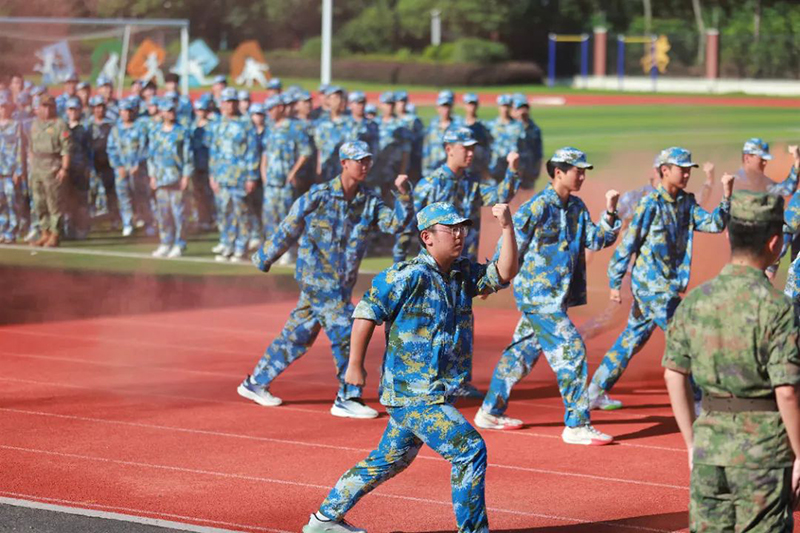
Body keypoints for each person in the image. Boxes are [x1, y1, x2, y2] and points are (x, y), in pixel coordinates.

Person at [302, 201, 518, 533]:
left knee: (389, 460)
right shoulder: (406, 275)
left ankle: (324, 520)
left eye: (462, 228)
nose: (459, 235)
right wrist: (354, 366)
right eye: (451, 229)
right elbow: (366, 312)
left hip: (435, 392)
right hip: (413, 393)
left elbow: (503, 273)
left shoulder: (461, 274)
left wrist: (506, 227)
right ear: (427, 237)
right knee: (469, 449)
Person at [239, 141, 412, 419]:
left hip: (340, 284)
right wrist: (265, 256)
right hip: (316, 279)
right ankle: (348, 395)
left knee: (298, 335)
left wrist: (403, 196)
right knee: (347, 331)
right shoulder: (319, 195)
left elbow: (395, 225)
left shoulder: (369, 200)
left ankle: (256, 382)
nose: (365, 166)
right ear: (344, 163)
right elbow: (290, 224)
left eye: (367, 161)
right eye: (359, 161)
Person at [663, 190, 800, 532]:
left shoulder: (695, 300)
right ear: (775, 243)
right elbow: (787, 391)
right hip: (763, 451)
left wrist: (691, 444)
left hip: (710, 445)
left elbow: (673, 373)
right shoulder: (778, 307)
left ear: (728, 236)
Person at [476, 147, 621, 445]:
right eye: (577, 171)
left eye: (583, 171)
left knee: (520, 354)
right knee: (572, 351)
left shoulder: (577, 207)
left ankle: (489, 411)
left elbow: (596, 240)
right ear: (558, 172)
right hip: (539, 297)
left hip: (557, 297)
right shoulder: (537, 207)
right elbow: (510, 244)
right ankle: (577, 424)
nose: (582, 176)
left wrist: (610, 212)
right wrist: (491, 281)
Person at [588, 147, 735, 410]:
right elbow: (628, 244)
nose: (687, 174)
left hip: (667, 286)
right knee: (686, 334)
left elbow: (714, 224)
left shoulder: (687, 202)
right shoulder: (650, 204)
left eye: (689, 170)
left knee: (631, 339)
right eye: (682, 169)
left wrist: (726, 195)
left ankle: (594, 391)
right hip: (651, 286)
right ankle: (698, 400)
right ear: (665, 170)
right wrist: (615, 282)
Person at [400, 127, 519, 263]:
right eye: (465, 148)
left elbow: (501, 197)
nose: (471, 153)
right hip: (435, 266)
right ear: (449, 149)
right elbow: (408, 225)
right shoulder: (430, 185)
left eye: (472, 149)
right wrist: (399, 261)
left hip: (466, 264)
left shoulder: (473, 184)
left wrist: (512, 169)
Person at [260, 95, 313, 264]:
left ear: (280, 108)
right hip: (271, 182)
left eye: (271, 108)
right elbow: (265, 152)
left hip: (285, 182)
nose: (269, 112)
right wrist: (263, 172)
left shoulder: (294, 127)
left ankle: (288, 250)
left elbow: (305, 152)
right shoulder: (270, 128)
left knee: (287, 218)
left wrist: (292, 173)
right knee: (270, 216)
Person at [209, 87, 259, 262]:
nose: (229, 105)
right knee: (224, 212)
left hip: (240, 177)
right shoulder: (218, 124)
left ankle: (241, 247)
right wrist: (212, 175)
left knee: (241, 213)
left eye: (232, 101)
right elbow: (214, 152)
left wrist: (251, 176)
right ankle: (227, 245)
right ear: (221, 103)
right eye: (226, 101)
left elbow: (252, 152)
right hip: (222, 177)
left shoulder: (246, 124)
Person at [147, 100, 193, 258]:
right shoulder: (155, 132)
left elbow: (188, 157)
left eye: (172, 110)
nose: (171, 113)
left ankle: (179, 244)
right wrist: (152, 175)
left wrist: (186, 176)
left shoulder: (181, 132)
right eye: (168, 110)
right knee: (163, 214)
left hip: (176, 179)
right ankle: (165, 242)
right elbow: (151, 156)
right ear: (162, 113)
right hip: (160, 179)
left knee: (178, 214)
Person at [28, 94, 70, 247]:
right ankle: (44, 232)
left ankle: (55, 234)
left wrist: (64, 169)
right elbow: (31, 147)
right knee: (39, 203)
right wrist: (31, 165)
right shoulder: (35, 124)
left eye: (49, 106)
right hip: (37, 168)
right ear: (39, 108)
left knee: (54, 203)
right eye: (44, 106)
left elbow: (66, 150)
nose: (46, 110)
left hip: (53, 167)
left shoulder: (60, 124)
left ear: (54, 108)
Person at [107, 98, 151, 237]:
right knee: (124, 196)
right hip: (121, 171)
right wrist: (118, 166)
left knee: (142, 196)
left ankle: (146, 221)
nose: (126, 113)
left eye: (129, 111)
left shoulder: (140, 128)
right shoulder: (115, 130)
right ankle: (127, 223)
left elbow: (145, 148)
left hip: (138, 170)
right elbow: (111, 150)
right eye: (123, 111)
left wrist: (138, 164)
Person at [64, 97, 92, 239]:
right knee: (67, 200)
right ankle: (68, 228)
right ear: (66, 111)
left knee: (81, 201)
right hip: (66, 169)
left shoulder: (84, 128)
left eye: (75, 109)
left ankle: (81, 228)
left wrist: (89, 168)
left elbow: (89, 150)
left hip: (80, 169)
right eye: (70, 109)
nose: (73, 112)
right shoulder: (63, 128)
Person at [313, 86, 354, 184]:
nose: (339, 101)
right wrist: (318, 170)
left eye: (340, 98)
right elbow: (319, 149)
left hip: (343, 170)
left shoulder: (350, 123)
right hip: (326, 169)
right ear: (328, 101)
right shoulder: (321, 122)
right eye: (335, 98)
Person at [733, 138, 800, 195]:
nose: (765, 163)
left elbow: (787, 190)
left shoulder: (761, 181)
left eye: (765, 160)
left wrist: (797, 161)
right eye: (761, 159)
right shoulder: (736, 181)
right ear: (747, 158)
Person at [0, 94, 23, 243]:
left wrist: (18, 170)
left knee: (12, 201)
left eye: (4, 107)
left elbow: (20, 149)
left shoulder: (15, 126)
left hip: (10, 171)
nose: (2, 110)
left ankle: (12, 231)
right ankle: (1, 230)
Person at [510, 94, 543, 191]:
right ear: (513, 110)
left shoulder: (535, 129)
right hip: (511, 171)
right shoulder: (508, 127)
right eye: (520, 108)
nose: (523, 111)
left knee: (527, 196)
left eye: (525, 108)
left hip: (528, 171)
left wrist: (537, 171)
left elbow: (538, 153)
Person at [488, 94, 524, 181]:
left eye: (507, 106)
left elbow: (523, 147)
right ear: (498, 107)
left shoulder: (518, 126)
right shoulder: (491, 125)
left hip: (512, 168)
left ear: (511, 107)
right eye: (503, 106)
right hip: (494, 167)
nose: (505, 109)